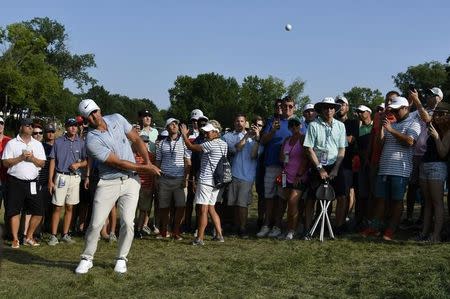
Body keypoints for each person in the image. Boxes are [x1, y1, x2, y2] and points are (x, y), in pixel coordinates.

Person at [74, 99, 160, 274]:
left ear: (99, 109)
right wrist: (146, 168)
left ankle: (121, 258)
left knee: (128, 223)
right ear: (85, 119)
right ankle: (87, 258)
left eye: (94, 112)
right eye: (88, 116)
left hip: (131, 181)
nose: (93, 117)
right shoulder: (91, 139)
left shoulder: (117, 119)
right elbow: (118, 163)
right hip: (108, 182)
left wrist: (148, 161)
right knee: (96, 223)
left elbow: (136, 139)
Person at [362, 96, 421, 240]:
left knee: (397, 201)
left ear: (406, 108)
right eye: (392, 110)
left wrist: (391, 130)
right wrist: (383, 129)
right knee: (380, 199)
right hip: (385, 167)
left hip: (400, 169)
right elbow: (381, 144)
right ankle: (374, 227)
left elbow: (410, 141)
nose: (393, 112)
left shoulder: (414, 123)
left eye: (396, 110)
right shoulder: (391, 124)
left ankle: (391, 229)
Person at [303, 97, 346, 237]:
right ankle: (308, 228)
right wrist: (320, 168)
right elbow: (309, 148)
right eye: (326, 107)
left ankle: (338, 227)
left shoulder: (340, 126)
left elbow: (342, 149)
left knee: (341, 197)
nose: (329, 110)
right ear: (321, 109)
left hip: (335, 164)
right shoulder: (314, 125)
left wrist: (336, 169)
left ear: (335, 110)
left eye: (332, 107)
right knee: (311, 198)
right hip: (318, 165)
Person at [180, 120, 227, 246]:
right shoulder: (223, 144)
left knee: (203, 210)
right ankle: (219, 235)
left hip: (206, 181)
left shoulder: (209, 145)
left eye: (208, 131)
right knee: (211, 208)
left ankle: (199, 238)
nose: (205, 134)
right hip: (217, 181)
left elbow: (191, 147)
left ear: (215, 132)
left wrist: (184, 135)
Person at [2, 118, 46, 248]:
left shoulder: (37, 144)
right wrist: (21, 158)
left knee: (39, 211)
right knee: (14, 211)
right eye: (28, 125)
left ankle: (29, 236)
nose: (31, 127)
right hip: (15, 182)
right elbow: (5, 163)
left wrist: (32, 158)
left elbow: (42, 163)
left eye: (32, 126)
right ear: (21, 127)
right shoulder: (12, 143)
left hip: (32, 183)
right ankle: (15, 239)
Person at [257, 97, 295, 238]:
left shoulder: (298, 124)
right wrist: (272, 130)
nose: (287, 108)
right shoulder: (273, 122)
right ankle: (266, 225)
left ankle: (277, 226)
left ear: (294, 107)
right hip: (271, 164)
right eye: (285, 106)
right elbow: (263, 140)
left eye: (290, 106)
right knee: (269, 196)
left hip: (287, 167)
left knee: (281, 197)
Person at [47, 118, 87, 245]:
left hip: (75, 177)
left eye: (75, 125)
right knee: (58, 206)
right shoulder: (58, 142)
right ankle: (53, 236)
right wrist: (50, 180)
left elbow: (87, 161)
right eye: (70, 125)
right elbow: (53, 161)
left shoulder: (81, 143)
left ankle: (65, 234)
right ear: (66, 127)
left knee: (70, 206)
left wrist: (78, 165)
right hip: (61, 176)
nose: (73, 128)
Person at [416, 98, 449, 242]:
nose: (438, 116)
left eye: (442, 114)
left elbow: (443, 152)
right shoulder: (433, 124)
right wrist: (416, 100)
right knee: (427, 202)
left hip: (437, 166)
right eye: (436, 114)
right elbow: (424, 115)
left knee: (437, 202)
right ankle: (424, 232)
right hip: (425, 165)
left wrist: (436, 137)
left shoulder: (448, 132)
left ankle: (436, 235)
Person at [226, 115, 262, 238]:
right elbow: (237, 148)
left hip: (247, 176)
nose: (239, 123)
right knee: (234, 203)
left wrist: (256, 138)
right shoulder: (230, 136)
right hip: (234, 174)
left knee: (242, 204)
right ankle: (235, 227)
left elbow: (253, 155)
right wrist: (247, 136)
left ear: (245, 123)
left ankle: (243, 228)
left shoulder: (256, 139)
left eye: (242, 121)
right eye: (237, 121)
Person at [155, 118, 191, 240]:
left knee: (180, 206)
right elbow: (158, 162)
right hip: (164, 179)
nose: (175, 125)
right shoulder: (161, 144)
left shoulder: (184, 142)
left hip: (179, 179)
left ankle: (176, 231)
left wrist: (185, 179)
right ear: (166, 128)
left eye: (176, 123)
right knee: (164, 207)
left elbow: (187, 162)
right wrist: (157, 178)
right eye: (171, 124)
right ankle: (164, 231)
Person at [280, 116, 308, 240]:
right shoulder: (287, 139)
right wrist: (284, 157)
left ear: (300, 125)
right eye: (291, 125)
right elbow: (281, 157)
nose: (294, 127)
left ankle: (292, 230)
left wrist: (299, 174)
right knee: (289, 203)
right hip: (286, 174)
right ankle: (290, 227)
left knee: (292, 202)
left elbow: (306, 158)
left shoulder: (303, 138)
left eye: (296, 125)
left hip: (299, 176)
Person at [334, 96, 359, 233]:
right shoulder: (332, 121)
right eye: (338, 104)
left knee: (343, 195)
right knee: (327, 194)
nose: (340, 106)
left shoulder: (353, 123)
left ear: (347, 107)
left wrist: (332, 139)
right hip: (331, 163)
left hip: (346, 164)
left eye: (343, 104)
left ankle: (340, 224)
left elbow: (350, 140)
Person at [354, 105, 373, 228]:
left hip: (372, 162)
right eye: (358, 112)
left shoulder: (375, 126)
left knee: (372, 193)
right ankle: (360, 220)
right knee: (361, 193)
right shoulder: (358, 127)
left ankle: (370, 219)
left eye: (362, 112)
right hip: (360, 163)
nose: (359, 114)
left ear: (368, 112)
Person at [0, 116, 12, 239]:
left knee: (9, 208)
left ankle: (8, 232)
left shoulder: (10, 141)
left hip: (8, 179)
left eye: (1, 123)